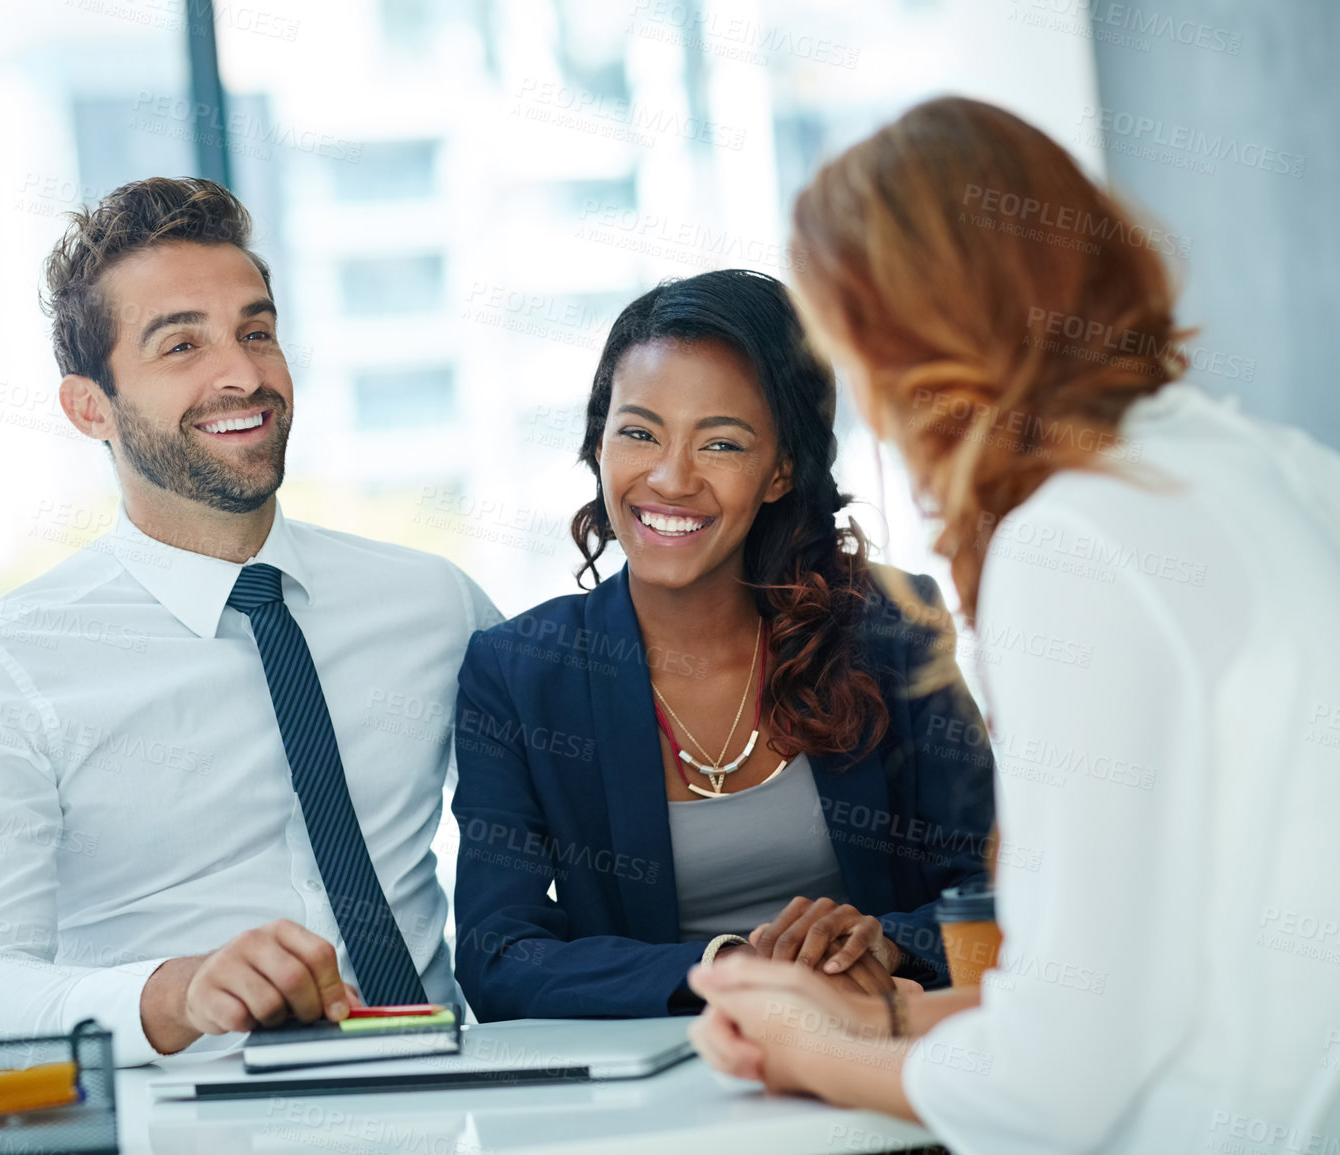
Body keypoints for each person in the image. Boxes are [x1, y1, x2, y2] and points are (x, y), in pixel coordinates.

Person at [688, 97, 1340, 1153]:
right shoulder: (1276, 468)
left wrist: (807, 1050)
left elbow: (1057, 1083)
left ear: (887, 334)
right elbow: (1139, 972)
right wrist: (888, 1017)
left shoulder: (1076, 539)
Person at [0, 177, 498, 1066]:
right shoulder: (6, 668)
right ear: (89, 407)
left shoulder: (432, 605)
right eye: (181, 344)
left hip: (454, 1101)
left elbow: (590, 809)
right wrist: (172, 994)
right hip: (185, 1117)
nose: (243, 373)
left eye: (255, 331)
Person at [451, 269, 996, 1022]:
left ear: (779, 472)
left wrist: (886, 945)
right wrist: (729, 969)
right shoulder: (517, 672)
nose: (670, 479)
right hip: (659, 1099)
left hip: (886, 1056)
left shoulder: (889, 627)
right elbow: (496, 953)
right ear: (598, 444)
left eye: (721, 443)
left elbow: (997, 889)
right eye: (637, 432)